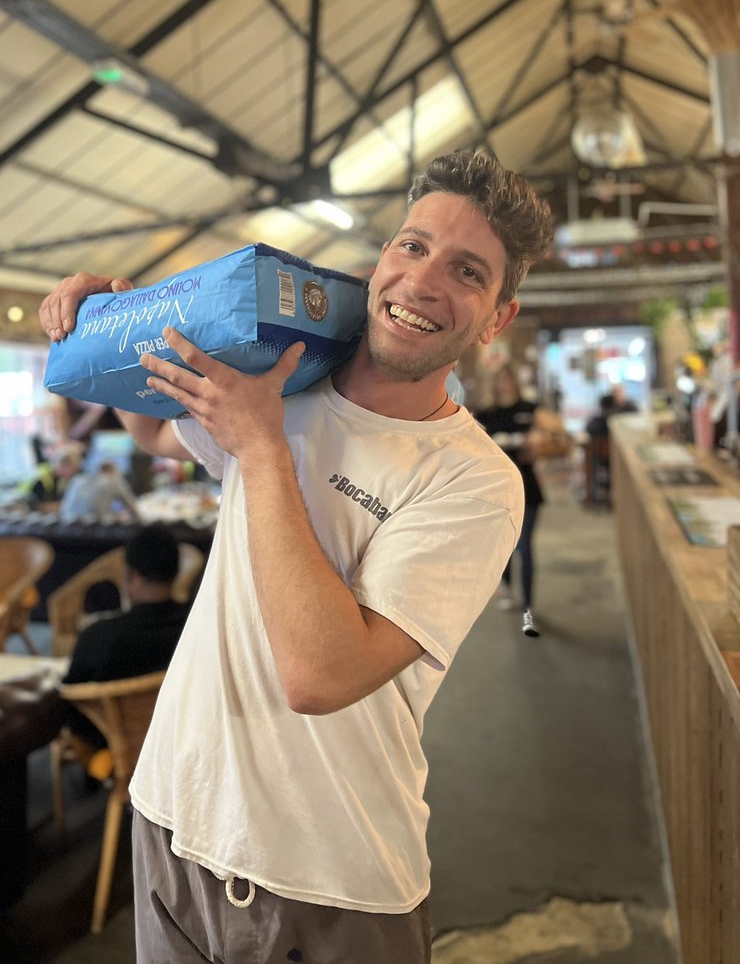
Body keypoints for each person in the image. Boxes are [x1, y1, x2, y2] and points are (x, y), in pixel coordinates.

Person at [39, 151, 554, 964]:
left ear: (497, 317)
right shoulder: (285, 376)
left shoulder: (474, 481)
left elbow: (321, 674)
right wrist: (108, 314)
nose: (422, 283)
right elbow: (148, 423)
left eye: (466, 271)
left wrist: (264, 448)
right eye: (413, 246)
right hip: (174, 819)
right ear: (382, 258)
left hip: (326, 879)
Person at [61, 524, 188, 753]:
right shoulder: (196, 627)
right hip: (182, 743)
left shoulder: (98, 637)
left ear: (131, 575)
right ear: (176, 573)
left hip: (115, 749)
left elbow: (71, 702)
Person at [476, 365, 544, 637]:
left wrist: (537, 445)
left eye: (508, 378)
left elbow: (548, 442)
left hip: (528, 486)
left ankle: (528, 604)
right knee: (504, 543)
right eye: (500, 379)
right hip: (498, 488)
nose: (504, 383)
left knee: (525, 547)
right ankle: (506, 584)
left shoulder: (530, 408)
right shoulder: (486, 413)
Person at [59, 459, 139, 521]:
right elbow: (133, 507)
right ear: (113, 471)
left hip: (65, 526)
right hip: (95, 528)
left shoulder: (77, 479)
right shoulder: (114, 480)